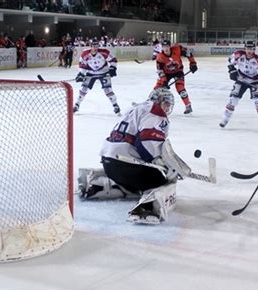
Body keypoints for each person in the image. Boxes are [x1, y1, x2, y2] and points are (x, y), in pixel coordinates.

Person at [77, 88, 189, 224]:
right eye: (166, 104)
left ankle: (98, 185)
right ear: (158, 101)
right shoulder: (155, 111)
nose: (167, 108)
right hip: (126, 164)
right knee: (158, 180)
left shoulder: (135, 109)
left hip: (108, 163)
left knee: (139, 181)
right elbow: (147, 142)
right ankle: (146, 208)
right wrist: (162, 163)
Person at [219, 40, 258, 130]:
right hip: (241, 79)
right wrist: (232, 70)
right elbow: (230, 62)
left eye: (251, 49)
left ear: (254, 49)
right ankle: (224, 120)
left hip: (255, 82)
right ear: (245, 49)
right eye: (247, 49)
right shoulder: (238, 54)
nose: (249, 51)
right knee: (233, 100)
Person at [73, 41, 120, 115]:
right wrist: (81, 74)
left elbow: (113, 60)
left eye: (96, 46)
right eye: (93, 46)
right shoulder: (85, 54)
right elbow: (83, 66)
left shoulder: (104, 52)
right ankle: (77, 105)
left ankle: (115, 105)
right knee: (84, 88)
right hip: (91, 73)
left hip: (103, 72)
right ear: (90, 46)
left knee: (107, 89)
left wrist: (112, 68)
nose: (95, 48)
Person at [154, 39, 198, 114]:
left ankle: (188, 105)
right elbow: (160, 71)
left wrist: (193, 63)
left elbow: (188, 53)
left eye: (167, 46)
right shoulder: (160, 57)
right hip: (166, 73)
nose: (166, 49)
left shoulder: (177, 49)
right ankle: (152, 105)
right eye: (164, 47)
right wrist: (164, 80)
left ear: (170, 46)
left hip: (178, 71)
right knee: (158, 88)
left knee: (180, 87)